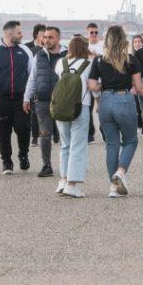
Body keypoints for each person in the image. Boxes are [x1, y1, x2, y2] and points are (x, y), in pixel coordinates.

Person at [88, 25, 143, 198]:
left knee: (112, 144)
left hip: (106, 101)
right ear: (124, 40)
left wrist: (104, 86)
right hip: (124, 99)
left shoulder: (99, 60)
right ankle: (121, 171)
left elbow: (92, 85)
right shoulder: (130, 60)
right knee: (130, 141)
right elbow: (139, 86)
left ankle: (113, 188)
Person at [0, 21, 34, 174]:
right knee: (3, 132)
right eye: (19, 32)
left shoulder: (25, 50)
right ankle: (7, 162)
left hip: (21, 99)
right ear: (9, 33)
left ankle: (23, 155)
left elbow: (32, 74)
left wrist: (30, 97)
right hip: (1, 100)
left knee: (23, 128)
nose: (22, 35)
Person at [53, 36, 94, 198]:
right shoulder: (89, 64)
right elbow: (93, 87)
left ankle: (63, 180)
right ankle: (72, 184)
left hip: (61, 106)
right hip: (81, 106)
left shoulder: (60, 64)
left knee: (65, 144)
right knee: (78, 145)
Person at [23, 26, 65, 178]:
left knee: (65, 134)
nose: (46, 40)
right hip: (42, 100)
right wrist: (26, 98)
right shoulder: (39, 55)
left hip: (62, 102)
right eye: (45, 37)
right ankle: (46, 165)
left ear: (58, 38)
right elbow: (32, 78)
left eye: (50, 37)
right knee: (45, 134)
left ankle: (68, 166)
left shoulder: (66, 55)